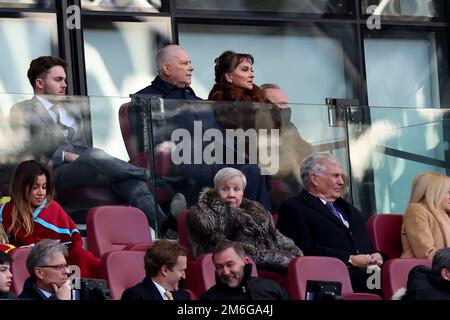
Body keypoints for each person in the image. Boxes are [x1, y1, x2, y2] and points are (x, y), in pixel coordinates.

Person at [9, 56, 166, 231]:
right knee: (93, 155)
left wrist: (82, 157)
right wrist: (64, 155)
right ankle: (147, 174)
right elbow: (24, 152)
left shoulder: (73, 109)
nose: (65, 85)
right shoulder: (22, 110)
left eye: (65, 80)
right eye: (58, 80)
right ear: (39, 83)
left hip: (88, 166)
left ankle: (165, 226)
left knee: (129, 182)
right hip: (54, 172)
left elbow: (84, 147)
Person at [277, 152, 384, 293]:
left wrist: (378, 256)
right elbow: (304, 250)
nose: (341, 181)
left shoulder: (350, 209)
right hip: (331, 283)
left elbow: (366, 246)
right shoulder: (293, 208)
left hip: (371, 281)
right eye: (335, 176)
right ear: (314, 179)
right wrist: (350, 259)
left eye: (341, 176)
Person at [187, 167, 303, 274]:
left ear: (243, 192)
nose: (231, 194)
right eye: (225, 189)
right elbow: (230, 252)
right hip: (235, 274)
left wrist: (295, 256)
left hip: (271, 269)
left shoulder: (258, 213)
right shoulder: (204, 216)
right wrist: (284, 260)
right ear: (216, 191)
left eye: (236, 189)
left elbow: (278, 239)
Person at [0, 160, 100, 278]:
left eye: (44, 187)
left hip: (59, 265)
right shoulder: (6, 210)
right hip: (20, 266)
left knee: (81, 258)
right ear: (21, 187)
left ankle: (75, 294)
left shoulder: (53, 209)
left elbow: (72, 246)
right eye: (35, 187)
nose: (41, 193)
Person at [261, 83, 314, 207]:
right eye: (281, 104)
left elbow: (310, 156)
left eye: (287, 104)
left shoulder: (292, 131)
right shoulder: (259, 135)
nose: (287, 109)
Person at [200, 241, 290, 300]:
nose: (226, 272)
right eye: (219, 267)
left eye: (230, 265)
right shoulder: (208, 298)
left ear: (245, 262)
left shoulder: (271, 288)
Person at [401, 172, 450, 260]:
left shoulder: (446, 214)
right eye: (448, 192)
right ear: (434, 192)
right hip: (424, 270)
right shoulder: (417, 210)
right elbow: (427, 253)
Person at [121, 240, 190, 300]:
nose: (184, 276)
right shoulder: (134, 296)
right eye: (181, 270)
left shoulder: (183, 295)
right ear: (165, 270)